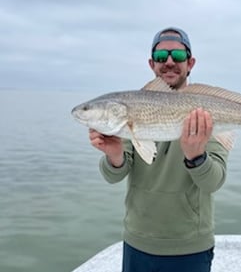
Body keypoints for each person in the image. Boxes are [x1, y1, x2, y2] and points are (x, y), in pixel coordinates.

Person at [89, 27, 229, 272]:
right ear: (152, 64)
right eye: (162, 57)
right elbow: (114, 175)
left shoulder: (204, 112)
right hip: (137, 241)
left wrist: (196, 157)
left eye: (178, 55)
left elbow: (214, 182)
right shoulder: (131, 111)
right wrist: (114, 155)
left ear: (191, 62)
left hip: (190, 247)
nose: (170, 62)